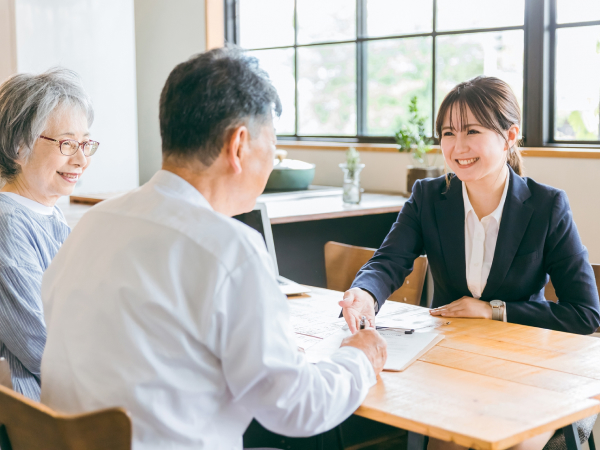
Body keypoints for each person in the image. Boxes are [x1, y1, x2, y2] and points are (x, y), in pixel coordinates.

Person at [40, 46, 387, 449]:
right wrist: (360, 357)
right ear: (239, 144)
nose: (273, 158)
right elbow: (297, 407)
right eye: (271, 143)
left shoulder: (94, 222)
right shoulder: (228, 248)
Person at [339, 76, 600, 450]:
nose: (457, 147)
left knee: (510, 443)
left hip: (528, 369)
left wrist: (494, 311)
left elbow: (585, 314)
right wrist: (364, 293)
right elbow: (389, 261)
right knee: (452, 441)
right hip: (450, 363)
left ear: (510, 136)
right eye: (447, 133)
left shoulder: (547, 207)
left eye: (472, 131)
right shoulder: (428, 197)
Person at [0, 68, 97, 400]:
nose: (82, 159)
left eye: (85, 143)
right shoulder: (8, 224)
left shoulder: (50, 215)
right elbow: (39, 344)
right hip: (40, 415)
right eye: (68, 143)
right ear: (18, 146)